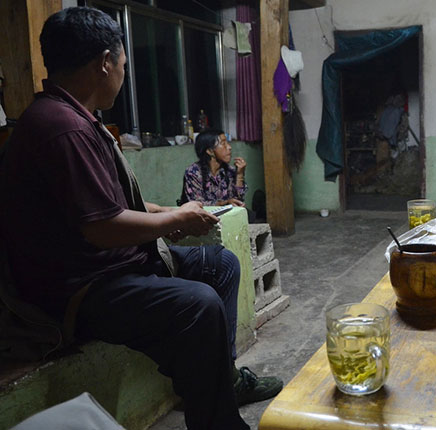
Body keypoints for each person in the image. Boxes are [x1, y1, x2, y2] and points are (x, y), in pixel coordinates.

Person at [0, 7, 280, 429]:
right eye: (125, 64)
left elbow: (109, 203)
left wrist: (170, 209)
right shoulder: (62, 129)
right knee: (199, 305)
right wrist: (177, 223)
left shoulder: (75, 118)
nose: (125, 74)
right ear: (105, 63)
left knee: (220, 265)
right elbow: (101, 226)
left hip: (115, 267)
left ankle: (216, 382)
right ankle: (217, 419)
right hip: (82, 289)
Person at [179, 130, 247, 207]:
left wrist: (240, 175)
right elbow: (197, 204)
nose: (229, 147)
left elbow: (237, 201)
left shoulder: (229, 171)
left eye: (227, 143)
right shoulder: (193, 172)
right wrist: (224, 203)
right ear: (210, 151)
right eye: (223, 143)